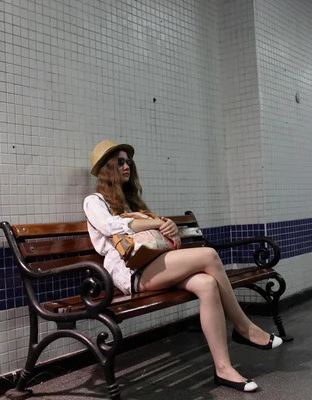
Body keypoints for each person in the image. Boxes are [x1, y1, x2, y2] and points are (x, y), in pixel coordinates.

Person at [83, 140, 282, 393]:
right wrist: (155, 223)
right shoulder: (94, 201)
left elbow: (162, 240)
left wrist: (170, 229)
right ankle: (244, 328)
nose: (127, 166)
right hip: (131, 273)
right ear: (106, 168)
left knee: (208, 284)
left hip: (154, 264)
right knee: (209, 255)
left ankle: (224, 369)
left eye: (128, 161)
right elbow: (110, 227)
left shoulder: (134, 204)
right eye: (120, 162)